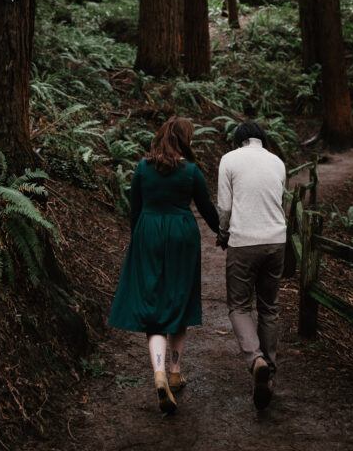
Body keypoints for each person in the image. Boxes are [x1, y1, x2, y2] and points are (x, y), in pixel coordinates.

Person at [108, 116, 219, 414]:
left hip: (149, 232)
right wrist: (222, 233)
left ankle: (158, 373)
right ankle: (174, 371)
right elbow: (207, 208)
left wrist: (138, 238)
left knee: (153, 305)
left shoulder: (143, 167)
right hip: (182, 235)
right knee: (178, 300)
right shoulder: (192, 171)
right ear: (186, 139)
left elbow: (135, 207)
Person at [216, 121, 286, 410]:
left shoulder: (229, 159)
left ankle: (255, 358)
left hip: (244, 242)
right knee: (269, 307)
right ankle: (268, 370)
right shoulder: (278, 162)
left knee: (240, 306)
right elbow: (280, 200)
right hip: (276, 241)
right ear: (262, 139)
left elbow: (225, 206)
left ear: (239, 140)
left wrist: (223, 234)